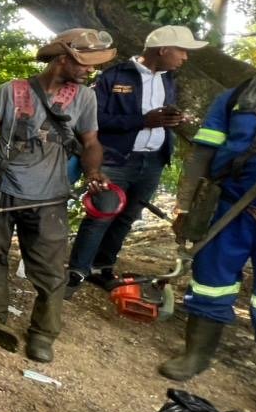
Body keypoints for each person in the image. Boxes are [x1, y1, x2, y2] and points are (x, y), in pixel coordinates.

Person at [0, 28, 114, 363]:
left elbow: (91, 143)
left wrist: (94, 171)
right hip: (3, 189)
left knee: (50, 271)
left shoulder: (84, 98)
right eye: (85, 63)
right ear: (63, 58)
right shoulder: (12, 91)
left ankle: (42, 334)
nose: (89, 70)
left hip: (49, 197)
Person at [158, 22, 256, 412]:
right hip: (230, 206)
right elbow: (202, 155)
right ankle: (196, 353)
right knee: (211, 277)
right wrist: (185, 203)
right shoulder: (236, 98)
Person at [65, 25, 204, 294]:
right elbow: (94, 121)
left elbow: (158, 117)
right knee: (102, 214)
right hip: (115, 160)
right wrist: (142, 121)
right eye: (182, 51)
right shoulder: (112, 76)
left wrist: (172, 119)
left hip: (152, 161)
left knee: (128, 217)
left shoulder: (168, 79)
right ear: (163, 49)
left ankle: (101, 268)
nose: (185, 57)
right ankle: (76, 272)